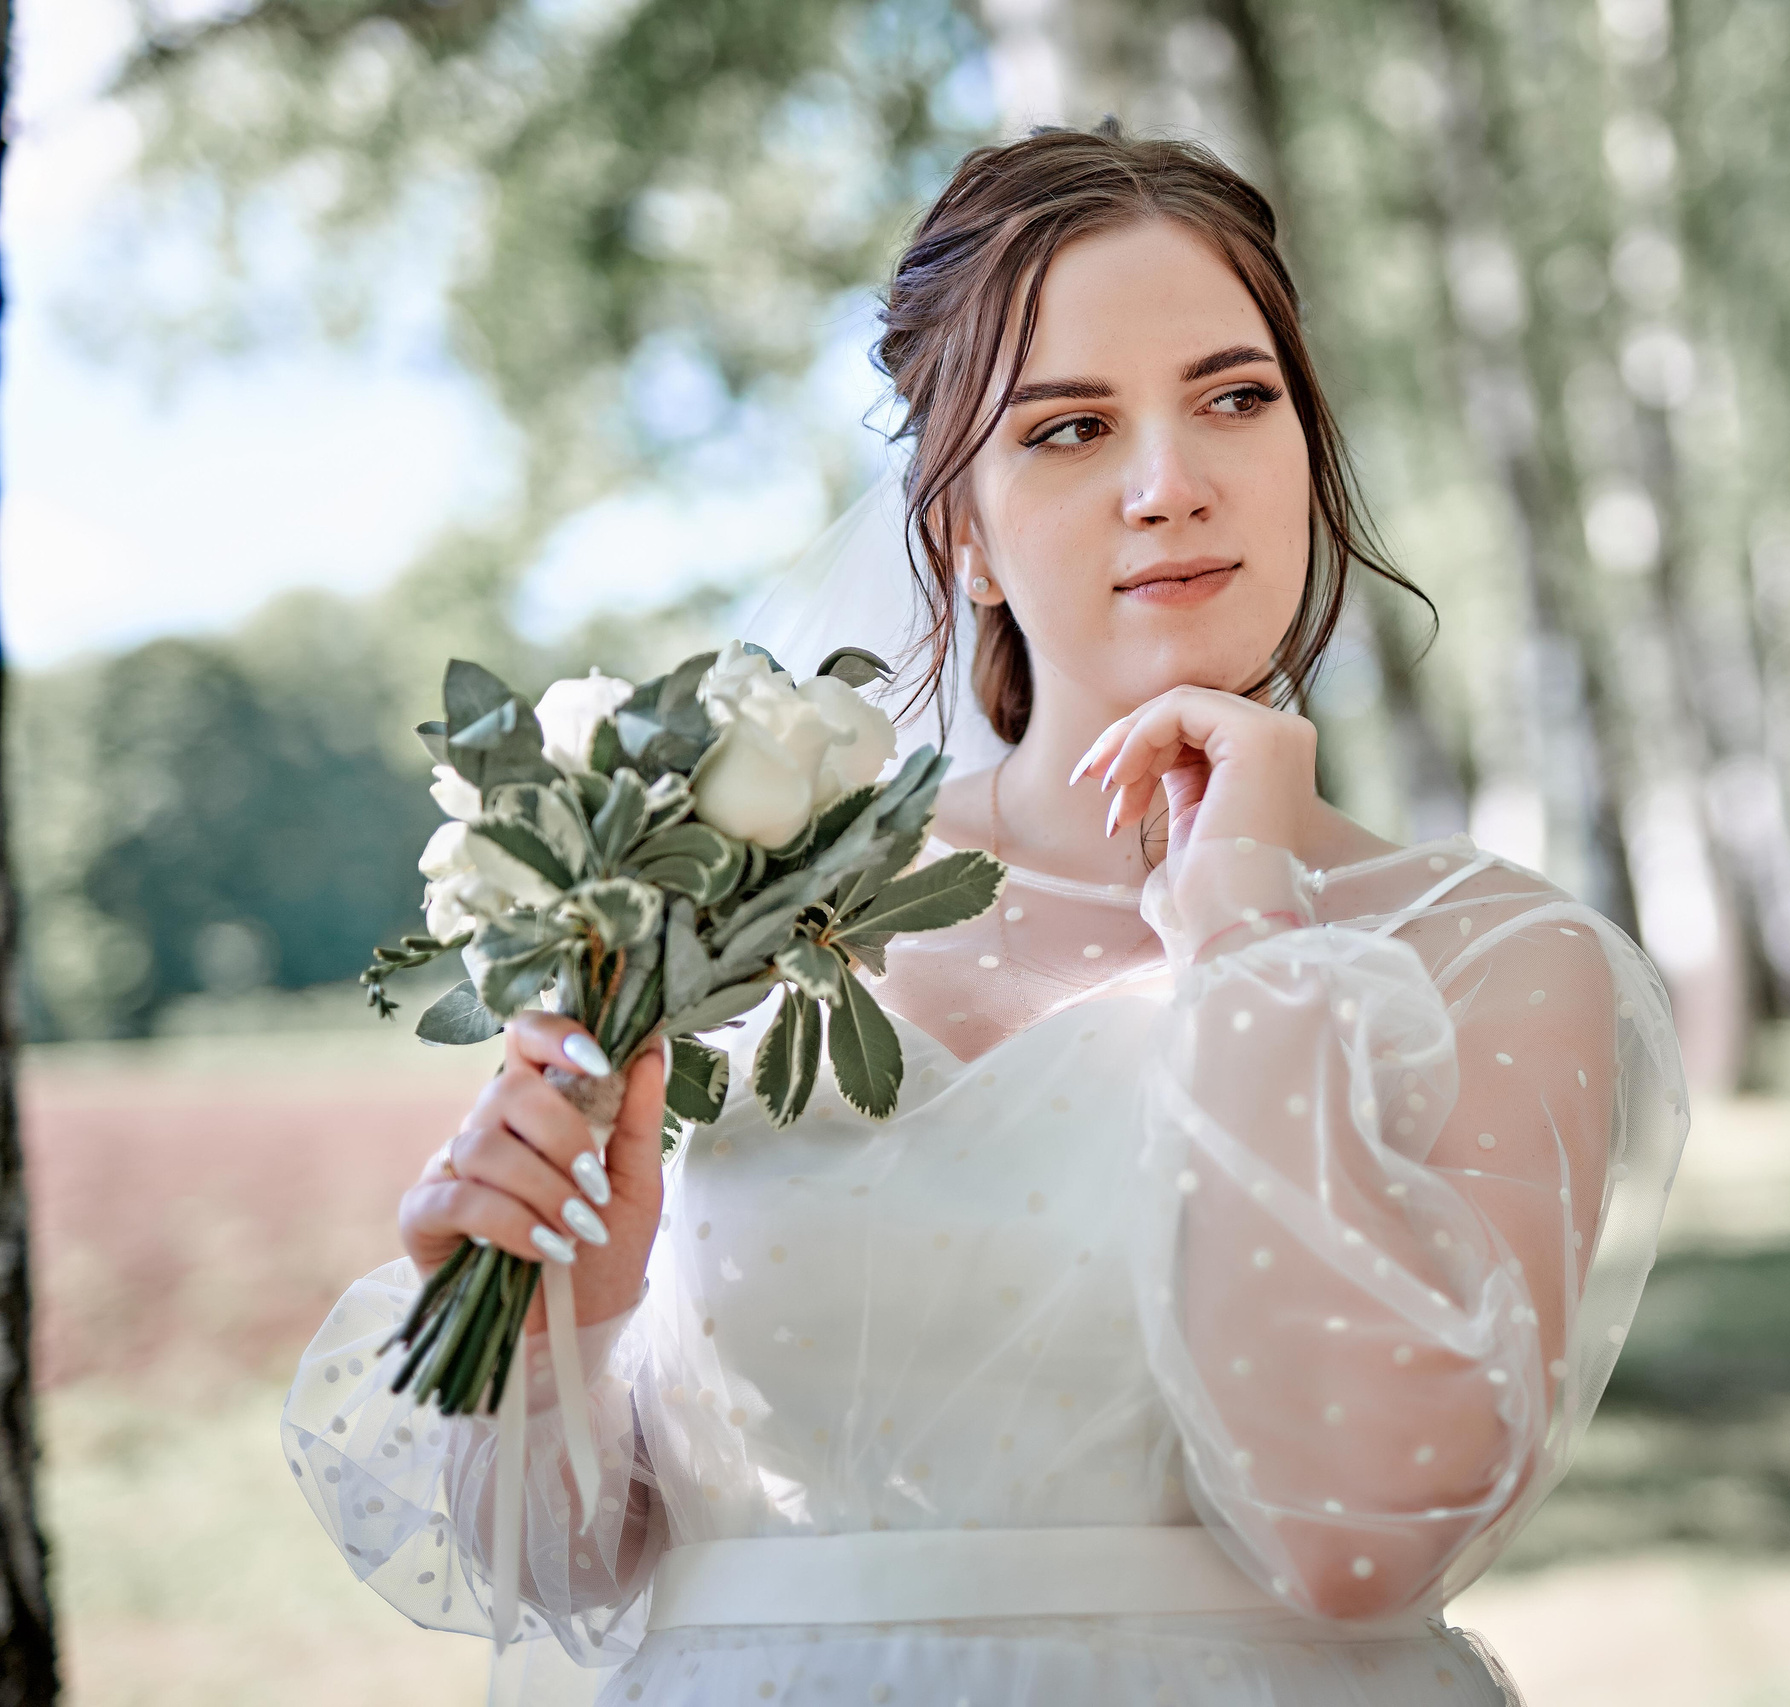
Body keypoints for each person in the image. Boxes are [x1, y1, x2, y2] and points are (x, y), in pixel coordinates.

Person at [286, 123, 1688, 1706]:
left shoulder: (1493, 958)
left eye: (1238, 398)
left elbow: (1361, 1540)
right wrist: (565, 1329)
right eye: (1071, 429)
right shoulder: (729, 915)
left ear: (1309, 448)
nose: (1172, 486)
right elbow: (560, 1572)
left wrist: (1246, 929)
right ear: (960, 530)